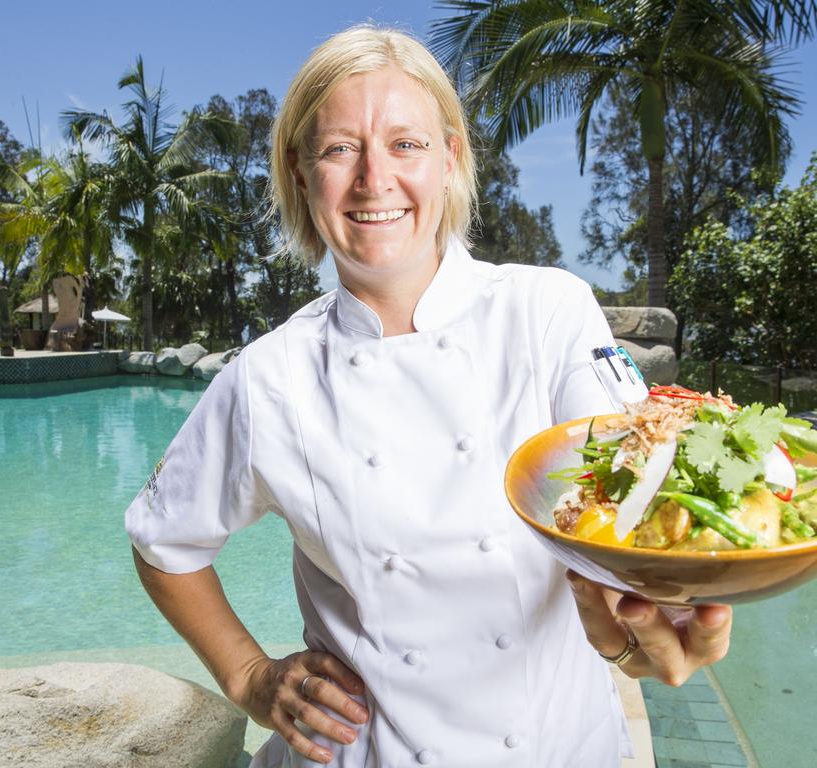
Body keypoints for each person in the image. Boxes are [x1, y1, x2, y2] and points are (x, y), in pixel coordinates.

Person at [125, 24, 732, 768]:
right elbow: (163, 540)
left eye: (405, 145)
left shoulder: (547, 313)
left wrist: (656, 612)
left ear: (450, 158)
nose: (374, 180)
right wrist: (250, 676)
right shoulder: (269, 377)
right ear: (301, 171)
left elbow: (632, 484)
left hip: (559, 747)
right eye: (339, 148)